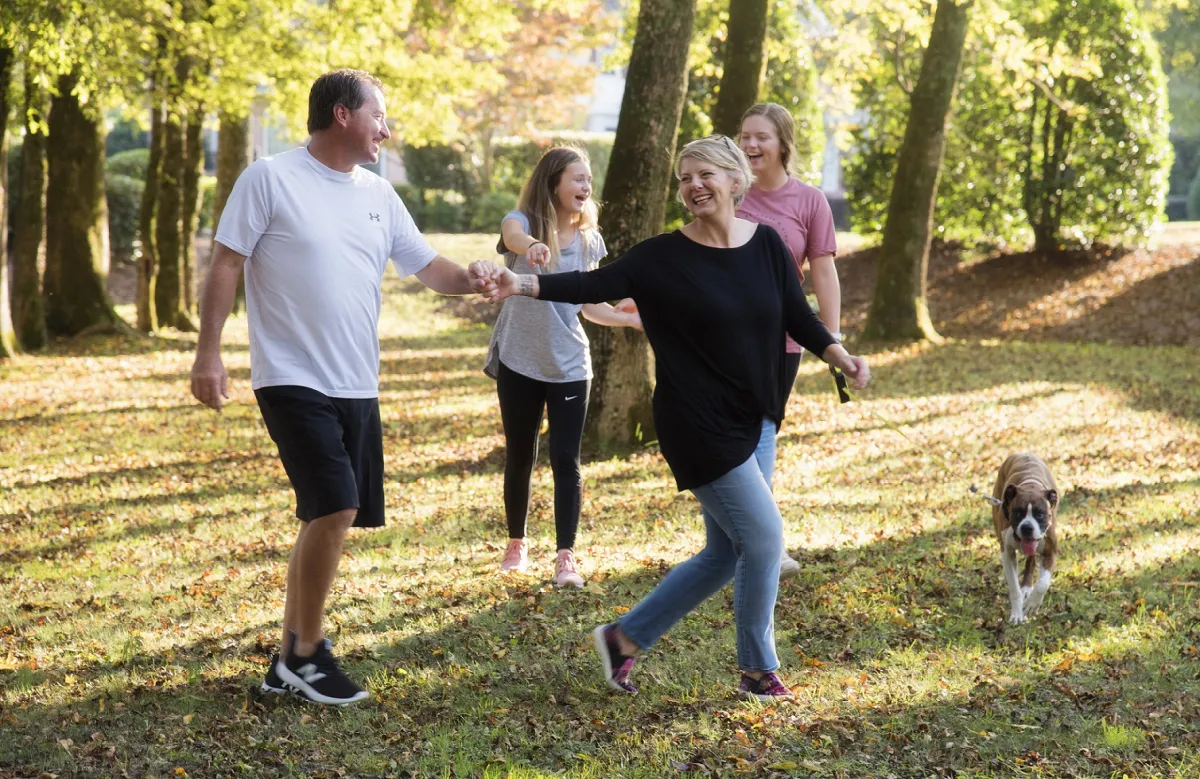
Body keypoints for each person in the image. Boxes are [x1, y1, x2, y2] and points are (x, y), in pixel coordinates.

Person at [471, 136, 870, 701]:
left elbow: (795, 316)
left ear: (736, 179)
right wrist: (522, 282)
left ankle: (623, 639)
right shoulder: (661, 257)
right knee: (763, 539)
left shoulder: (768, 247)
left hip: (754, 417)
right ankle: (758, 669)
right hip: (695, 423)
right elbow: (589, 285)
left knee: (724, 552)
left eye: (704, 173)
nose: (693, 185)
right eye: (685, 177)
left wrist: (839, 354)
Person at [190, 69, 493, 705]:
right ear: (342, 115)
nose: (386, 127)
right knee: (335, 504)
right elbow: (226, 263)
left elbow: (430, 268)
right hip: (291, 375)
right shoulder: (269, 177)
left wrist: (478, 276)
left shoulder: (379, 194)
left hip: (357, 380)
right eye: (378, 114)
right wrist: (208, 354)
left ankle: (286, 659)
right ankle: (307, 653)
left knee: (324, 512)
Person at [487, 147, 641, 586]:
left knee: (565, 459)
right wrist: (535, 245)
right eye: (577, 178)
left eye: (588, 180)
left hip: (570, 363)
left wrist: (628, 318)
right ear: (553, 181)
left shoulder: (590, 239)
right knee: (520, 453)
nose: (586, 187)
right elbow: (513, 236)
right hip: (519, 356)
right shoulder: (522, 224)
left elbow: (589, 303)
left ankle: (565, 556)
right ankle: (517, 543)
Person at [737, 102, 842, 580]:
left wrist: (832, 338)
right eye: (745, 137)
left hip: (782, 341)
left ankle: (763, 544)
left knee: (761, 430)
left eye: (761, 137)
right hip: (724, 335)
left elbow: (822, 269)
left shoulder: (810, 201)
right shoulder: (730, 194)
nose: (751, 145)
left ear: (782, 144)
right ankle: (749, 540)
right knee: (732, 436)